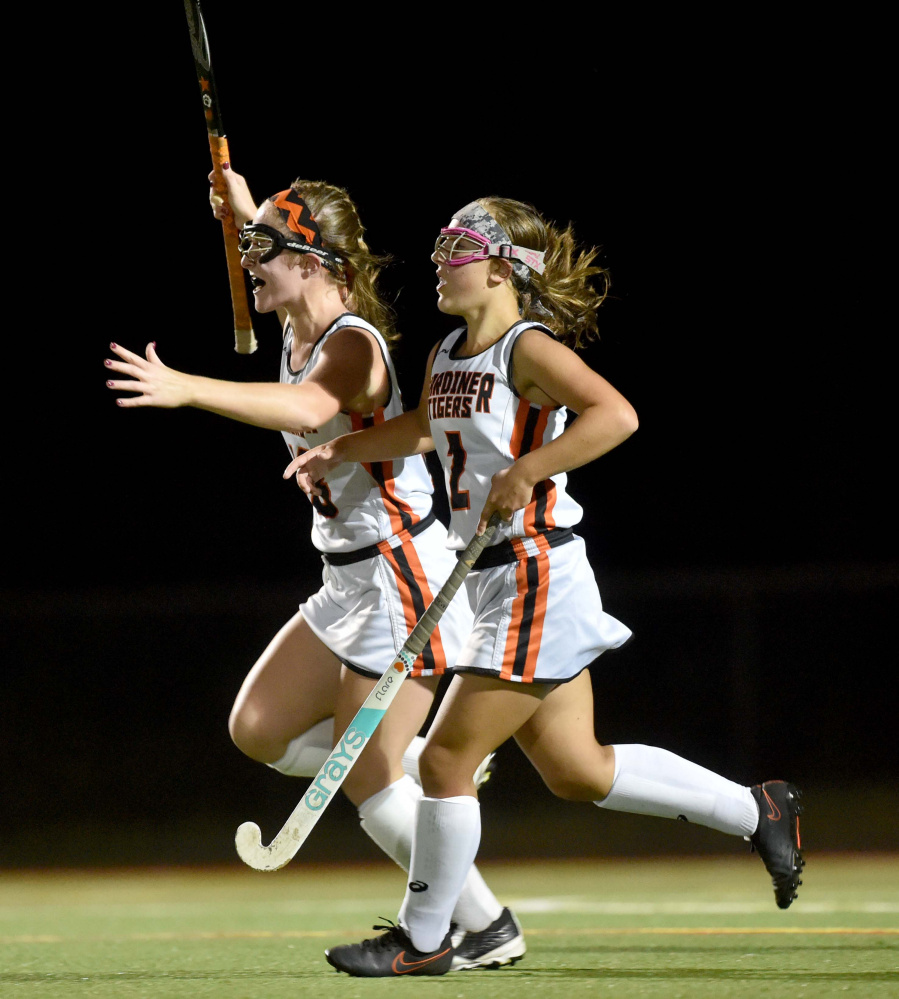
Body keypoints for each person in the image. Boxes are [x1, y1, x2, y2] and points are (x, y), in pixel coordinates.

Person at [285, 196, 806, 977]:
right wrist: (347, 449)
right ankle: (756, 807)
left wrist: (531, 467)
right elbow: (429, 427)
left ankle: (426, 939)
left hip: (533, 571)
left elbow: (615, 414)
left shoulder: (527, 349)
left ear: (500, 267)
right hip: (492, 579)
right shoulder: (449, 351)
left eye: (454, 247)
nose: (437, 259)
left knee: (443, 763)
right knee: (577, 768)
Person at [104, 171, 526, 971]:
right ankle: (405, 760)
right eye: (249, 246)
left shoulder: (352, 343)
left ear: (315, 262)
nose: (248, 261)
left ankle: (482, 923)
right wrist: (244, 206)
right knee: (257, 728)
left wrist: (186, 388)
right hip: (344, 579)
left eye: (264, 251)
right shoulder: (298, 325)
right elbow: (286, 252)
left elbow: (306, 411)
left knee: (368, 785)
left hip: (402, 572)